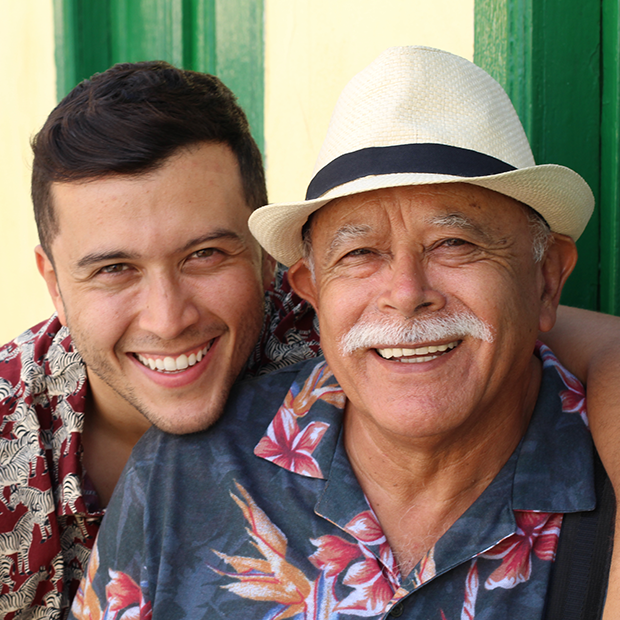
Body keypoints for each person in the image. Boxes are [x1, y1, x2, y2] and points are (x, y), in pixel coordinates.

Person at [71, 46, 615, 619]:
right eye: (360, 254)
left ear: (547, 280)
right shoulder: (179, 480)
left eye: (456, 244)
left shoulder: (606, 465)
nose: (406, 292)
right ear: (311, 292)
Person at [0, 61, 319, 619]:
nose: (168, 319)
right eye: (115, 269)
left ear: (267, 256)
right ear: (54, 282)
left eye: (205, 255)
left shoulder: (353, 377)